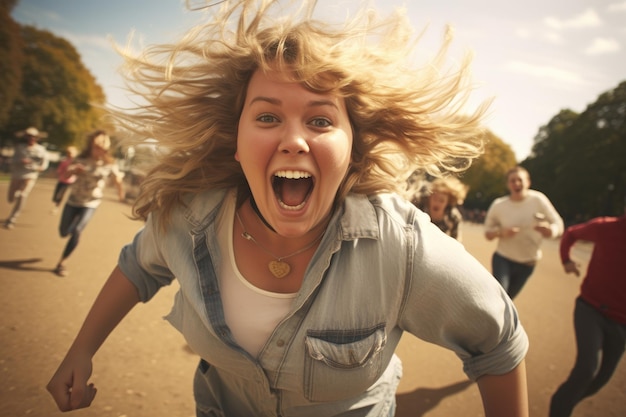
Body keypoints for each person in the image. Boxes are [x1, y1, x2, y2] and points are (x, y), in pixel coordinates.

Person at [47, 1, 529, 416]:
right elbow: (138, 267)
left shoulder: (400, 247)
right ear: (237, 142)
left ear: (351, 148)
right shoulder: (190, 218)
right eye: (267, 116)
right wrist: (80, 349)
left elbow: (497, 341)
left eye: (320, 119)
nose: (294, 139)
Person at [549, 212, 626, 417]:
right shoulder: (605, 227)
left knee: (600, 380)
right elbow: (571, 234)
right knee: (587, 369)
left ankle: (565, 401)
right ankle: (559, 409)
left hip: (622, 323)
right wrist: (566, 260)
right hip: (591, 309)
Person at [484, 165, 564, 299]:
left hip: (527, 264)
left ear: (528, 182)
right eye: (512, 180)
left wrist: (551, 231)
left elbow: (558, 224)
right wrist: (501, 232)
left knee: (508, 302)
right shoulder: (498, 205)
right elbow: (487, 233)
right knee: (499, 298)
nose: (516, 183)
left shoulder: (539, 200)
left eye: (520, 180)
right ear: (507, 184)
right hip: (503, 259)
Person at [53, 130, 124, 277]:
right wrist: (73, 170)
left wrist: (120, 191)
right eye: (96, 148)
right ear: (91, 146)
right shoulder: (80, 159)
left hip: (91, 202)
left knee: (78, 230)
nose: (99, 151)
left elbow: (117, 179)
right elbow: (65, 175)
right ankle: (70, 230)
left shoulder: (109, 164)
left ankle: (62, 263)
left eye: (102, 149)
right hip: (73, 200)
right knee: (63, 232)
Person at [3, 126, 50, 229]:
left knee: (22, 194)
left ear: (37, 138)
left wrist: (40, 168)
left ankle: (12, 219)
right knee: (11, 198)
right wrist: (20, 161)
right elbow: (12, 161)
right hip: (17, 175)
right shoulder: (20, 148)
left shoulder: (41, 150)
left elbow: (44, 163)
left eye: (33, 137)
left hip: (30, 175)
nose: (31, 138)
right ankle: (15, 198)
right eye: (29, 136)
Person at [412, 176, 469, 241]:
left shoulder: (453, 217)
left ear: (448, 202)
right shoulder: (419, 207)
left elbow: (457, 241)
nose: (437, 203)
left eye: (442, 200)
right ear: (430, 197)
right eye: (435, 198)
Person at [51, 145, 79, 214]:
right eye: (68, 153)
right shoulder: (64, 161)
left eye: (71, 153)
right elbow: (60, 169)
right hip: (62, 179)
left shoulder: (75, 162)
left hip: (69, 181)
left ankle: (57, 207)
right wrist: (58, 173)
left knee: (61, 194)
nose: (69, 155)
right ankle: (56, 202)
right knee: (56, 194)